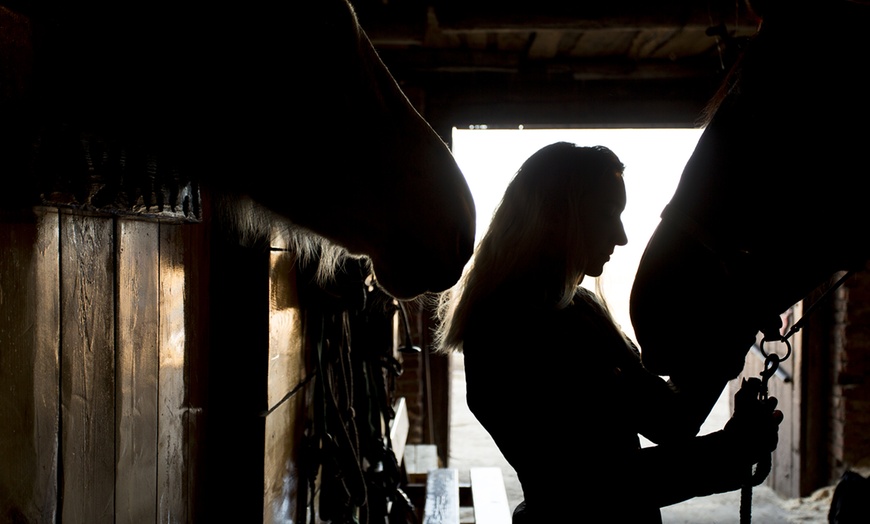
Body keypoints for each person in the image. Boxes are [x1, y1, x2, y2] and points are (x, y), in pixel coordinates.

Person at [434, 142, 783, 523]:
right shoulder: (506, 329)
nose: (621, 237)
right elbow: (584, 486)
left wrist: (732, 332)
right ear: (556, 217)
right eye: (607, 215)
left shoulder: (579, 308)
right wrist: (728, 453)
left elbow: (670, 421)